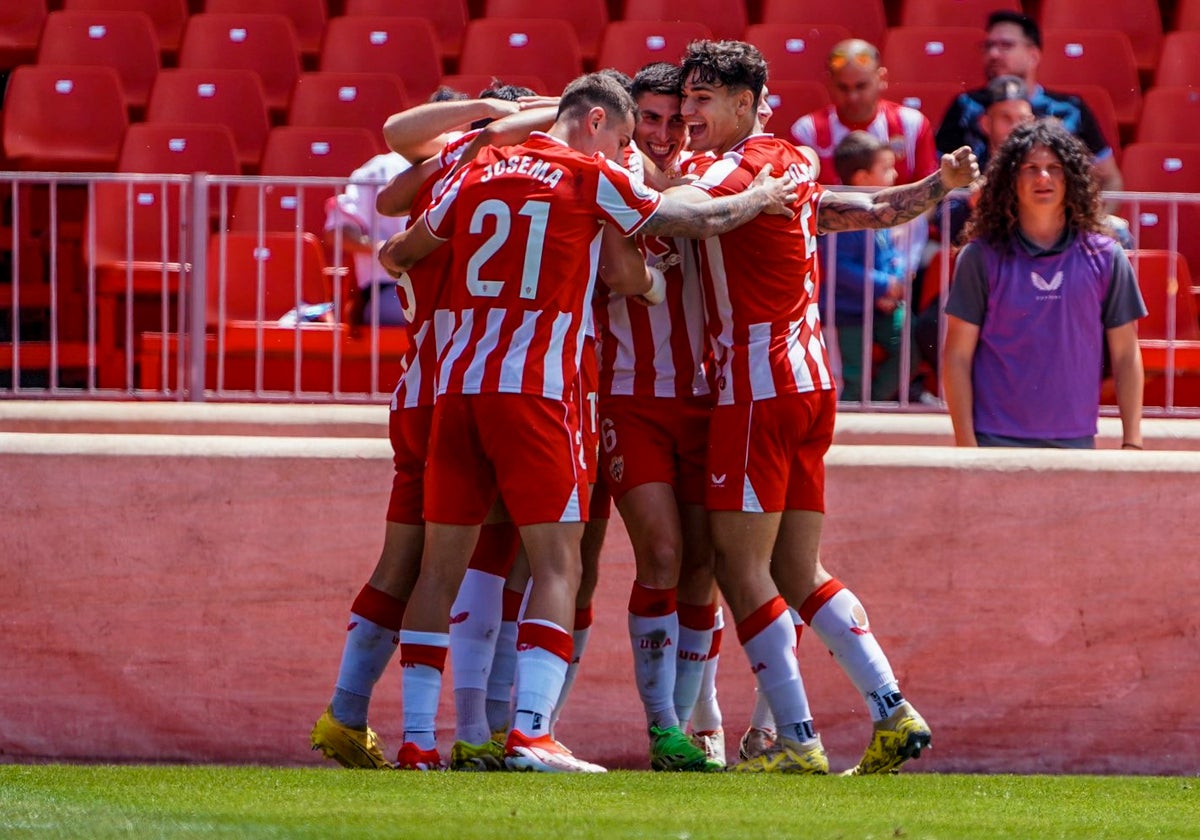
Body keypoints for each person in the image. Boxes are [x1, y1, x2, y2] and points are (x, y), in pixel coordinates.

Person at [378, 71, 800, 773]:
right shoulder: (585, 174)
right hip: (539, 390)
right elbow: (685, 222)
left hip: (456, 386)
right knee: (559, 564)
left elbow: (403, 249)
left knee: (439, 570)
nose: (635, 146)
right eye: (630, 133)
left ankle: (420, 739)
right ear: (599, 122)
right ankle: (531, 733)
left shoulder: (476, 171)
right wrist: (762, 197)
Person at [675, 39, 978, 774]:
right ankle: (890, 708)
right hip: (810, 386)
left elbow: (665, 213)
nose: (687, 114)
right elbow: (866, 210)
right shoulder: (797, 162)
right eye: (685, 99)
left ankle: (797, 739)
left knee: (737, 567)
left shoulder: (724, 171)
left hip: (755, 386)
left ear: (746, 105)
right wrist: (936, 187)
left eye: (703, 100)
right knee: (796, 570)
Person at [593, 61, 724, 771]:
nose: (666, 132)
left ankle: (699, 718)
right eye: (651, 118)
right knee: (664, 555)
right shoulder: (606, 180)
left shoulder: (709, 176)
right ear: (628, 120)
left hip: (708, 397)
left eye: (678, 118)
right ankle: (663, 725)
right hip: (630, 395)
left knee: (704, 565)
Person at [942, 119, 1146, 450]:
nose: (1043, 177)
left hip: (1076, 441)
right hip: (993, 441)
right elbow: (956, 356)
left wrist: (1132, 442)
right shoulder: (979, 258)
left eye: (1054, 167)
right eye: (1030, 168)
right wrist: (967, 447)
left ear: (1072, 178)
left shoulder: (1107, 256)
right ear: (1011, 178)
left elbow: (1126, 353)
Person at [934, 10, 1122, 196]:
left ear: (1033, 56)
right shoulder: (965, 106)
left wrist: (1094, 223)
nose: (993, 54)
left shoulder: (1070, 110)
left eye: (1005, 45)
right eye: (988, 46)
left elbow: (1110, 179)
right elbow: (936, 176)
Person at [829, 131, 909, 402]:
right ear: (862, 178)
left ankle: (874, 404)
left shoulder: (880, 208)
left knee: (908, 347)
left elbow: (891, 255)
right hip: (849, 313)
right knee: (855, 374)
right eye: (886, 169)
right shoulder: (841, 216)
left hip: (882, 308)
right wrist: (885, 285)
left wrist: (892, 286)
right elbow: (839, 268)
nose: (895, 176)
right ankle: (852, 422)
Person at [323, 151, 411, 327]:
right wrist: (385, 249)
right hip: (390, 289)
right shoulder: (381, 167)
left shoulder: (462, 161)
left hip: (448, 288)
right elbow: (338, 232)